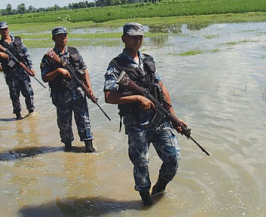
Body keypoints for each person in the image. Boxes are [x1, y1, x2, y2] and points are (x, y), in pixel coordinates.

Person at [103, 22, 186, 205]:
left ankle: (159, 188)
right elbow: (109, 96)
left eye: (140, 37)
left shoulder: (148, 60)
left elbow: (162, 88)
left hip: (159, 118)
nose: (137, 40)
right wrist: (136, 99)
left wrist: (174, 117)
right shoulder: (116, 65)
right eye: (132, 36)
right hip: (135, 123)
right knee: (141, 164)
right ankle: (146, 201)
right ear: (124, 38)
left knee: (173, 159)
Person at [40, 27, 95, 153]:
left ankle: (89, 145)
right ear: (53, 38)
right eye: (59, 36)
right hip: (61, 95)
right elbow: (45, 77)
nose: (63, 38)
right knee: (64, 123)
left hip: (78, 93)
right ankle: (68, 146)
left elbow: (84, 70)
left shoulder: (74, 52)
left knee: (84, 120)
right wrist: (58, 71)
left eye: (65, 35)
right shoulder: (48, 57)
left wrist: (89, 87)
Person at [0, 21, 35, 119]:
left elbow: (26, 54)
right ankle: (18, 114)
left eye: (6, 29)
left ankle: (31, 111)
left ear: (8, 29)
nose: (4, 31)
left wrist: (31, 67)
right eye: (2, 30)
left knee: (28, 92)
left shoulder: (17, 40)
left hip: (22, 71)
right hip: (10, 73)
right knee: (14, 94)